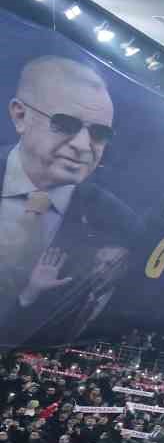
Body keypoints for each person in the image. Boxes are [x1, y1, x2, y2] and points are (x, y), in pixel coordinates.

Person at [0, 56, 137, 347]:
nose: (82, 146)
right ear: (20, 116)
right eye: (64, 124)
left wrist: (30, 296)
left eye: (99, 134)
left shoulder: (120, 223)